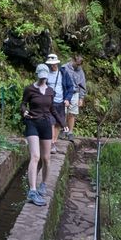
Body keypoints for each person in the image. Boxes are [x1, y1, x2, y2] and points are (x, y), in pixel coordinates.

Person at [20, 63, 55, 207]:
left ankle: (43, 184)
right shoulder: (29, 89)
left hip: (46, 124)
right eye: (41, 77)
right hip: (32, 123)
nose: (42, 80)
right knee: (35, 156)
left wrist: (63, 123)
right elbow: (23, 104)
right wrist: (24, 111)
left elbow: (53, 109)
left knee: (46, 158)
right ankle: (32, 191)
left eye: (44, 78)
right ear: (36, 75)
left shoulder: (51, 91)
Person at [45, 53, 74, 154]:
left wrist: (67, 99)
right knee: (51, 122)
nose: (53, 66)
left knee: (58, 123)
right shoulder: (45, 73)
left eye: (54, 64)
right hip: (49, 102)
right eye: (51, 64)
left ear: (57, 63)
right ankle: (51, 143)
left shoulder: (63, 73)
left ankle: (54, 142)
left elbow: (71, 87)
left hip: (60, 101)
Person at [64, 53, 87, 134]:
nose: (78, 66)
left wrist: (81, 98)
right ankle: (63, 130)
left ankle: (70, 132)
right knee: (63, 112)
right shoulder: (65, 68)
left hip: (75, 93)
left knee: (72, 113)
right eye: (77, 64)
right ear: (73, 60)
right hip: (65, 93)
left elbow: (82, 85)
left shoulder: (80, 70)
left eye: (80, 64)